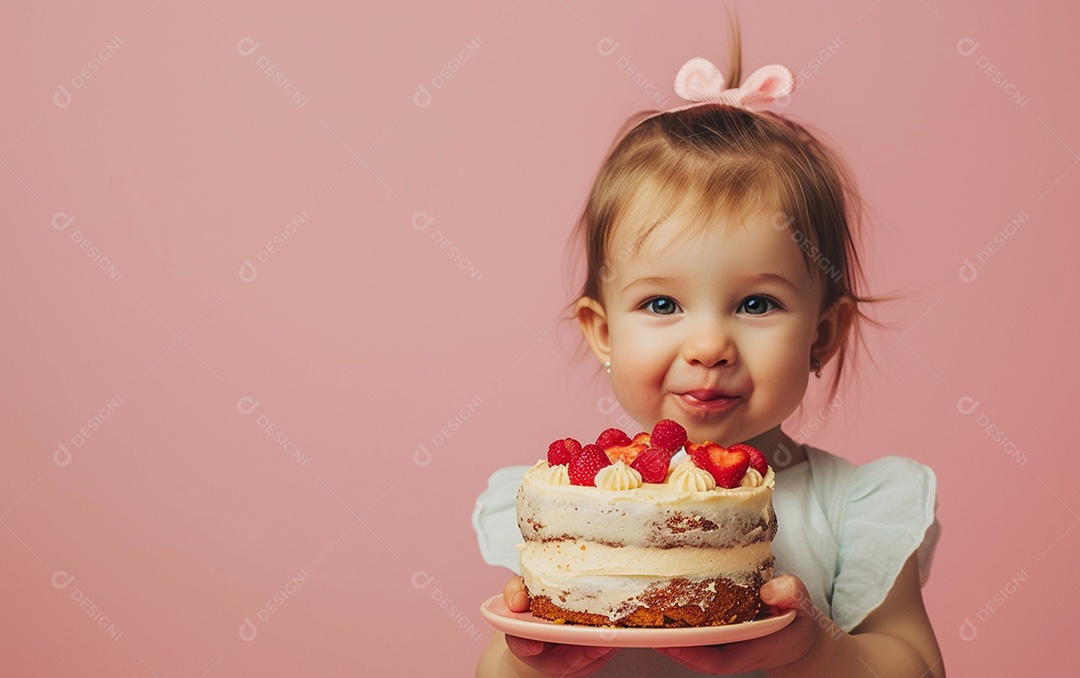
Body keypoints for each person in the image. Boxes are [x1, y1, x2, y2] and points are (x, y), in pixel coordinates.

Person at [472, 37, 944, 677]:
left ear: (823, 335)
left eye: (756, 304)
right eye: (662, 304)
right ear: (603, 332)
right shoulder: (576, 509)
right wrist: (531, 661)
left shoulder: (856, 509)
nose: (709, 347)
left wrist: (818, 649)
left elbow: (917, 669)